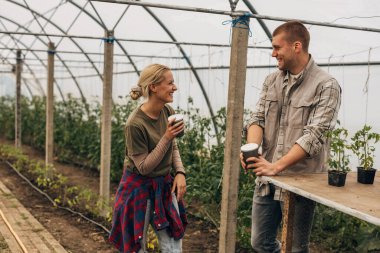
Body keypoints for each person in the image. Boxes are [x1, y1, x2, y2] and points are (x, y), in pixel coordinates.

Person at [241, 21, 341, 252]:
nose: (273, 53)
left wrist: (277, 166)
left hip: (302, 180)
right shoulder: (272, 81)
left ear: (297, 46)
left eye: (277, 47)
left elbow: (314, 136)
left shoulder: (326, 85)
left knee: (296, 248)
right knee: (260, 241)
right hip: (268, 176)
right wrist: (252, 149)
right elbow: (257, 119)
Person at [109, 64, 187, 253]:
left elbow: (173, 145)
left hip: (163, 186)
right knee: (137, 247)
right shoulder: (135, 124)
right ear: (153, 87)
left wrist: (180, 172)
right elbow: (144, 167)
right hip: (138, 189)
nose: (174, 87)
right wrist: (167, 136)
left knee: (173, 248)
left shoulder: (167, 111)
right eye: (170, 83)